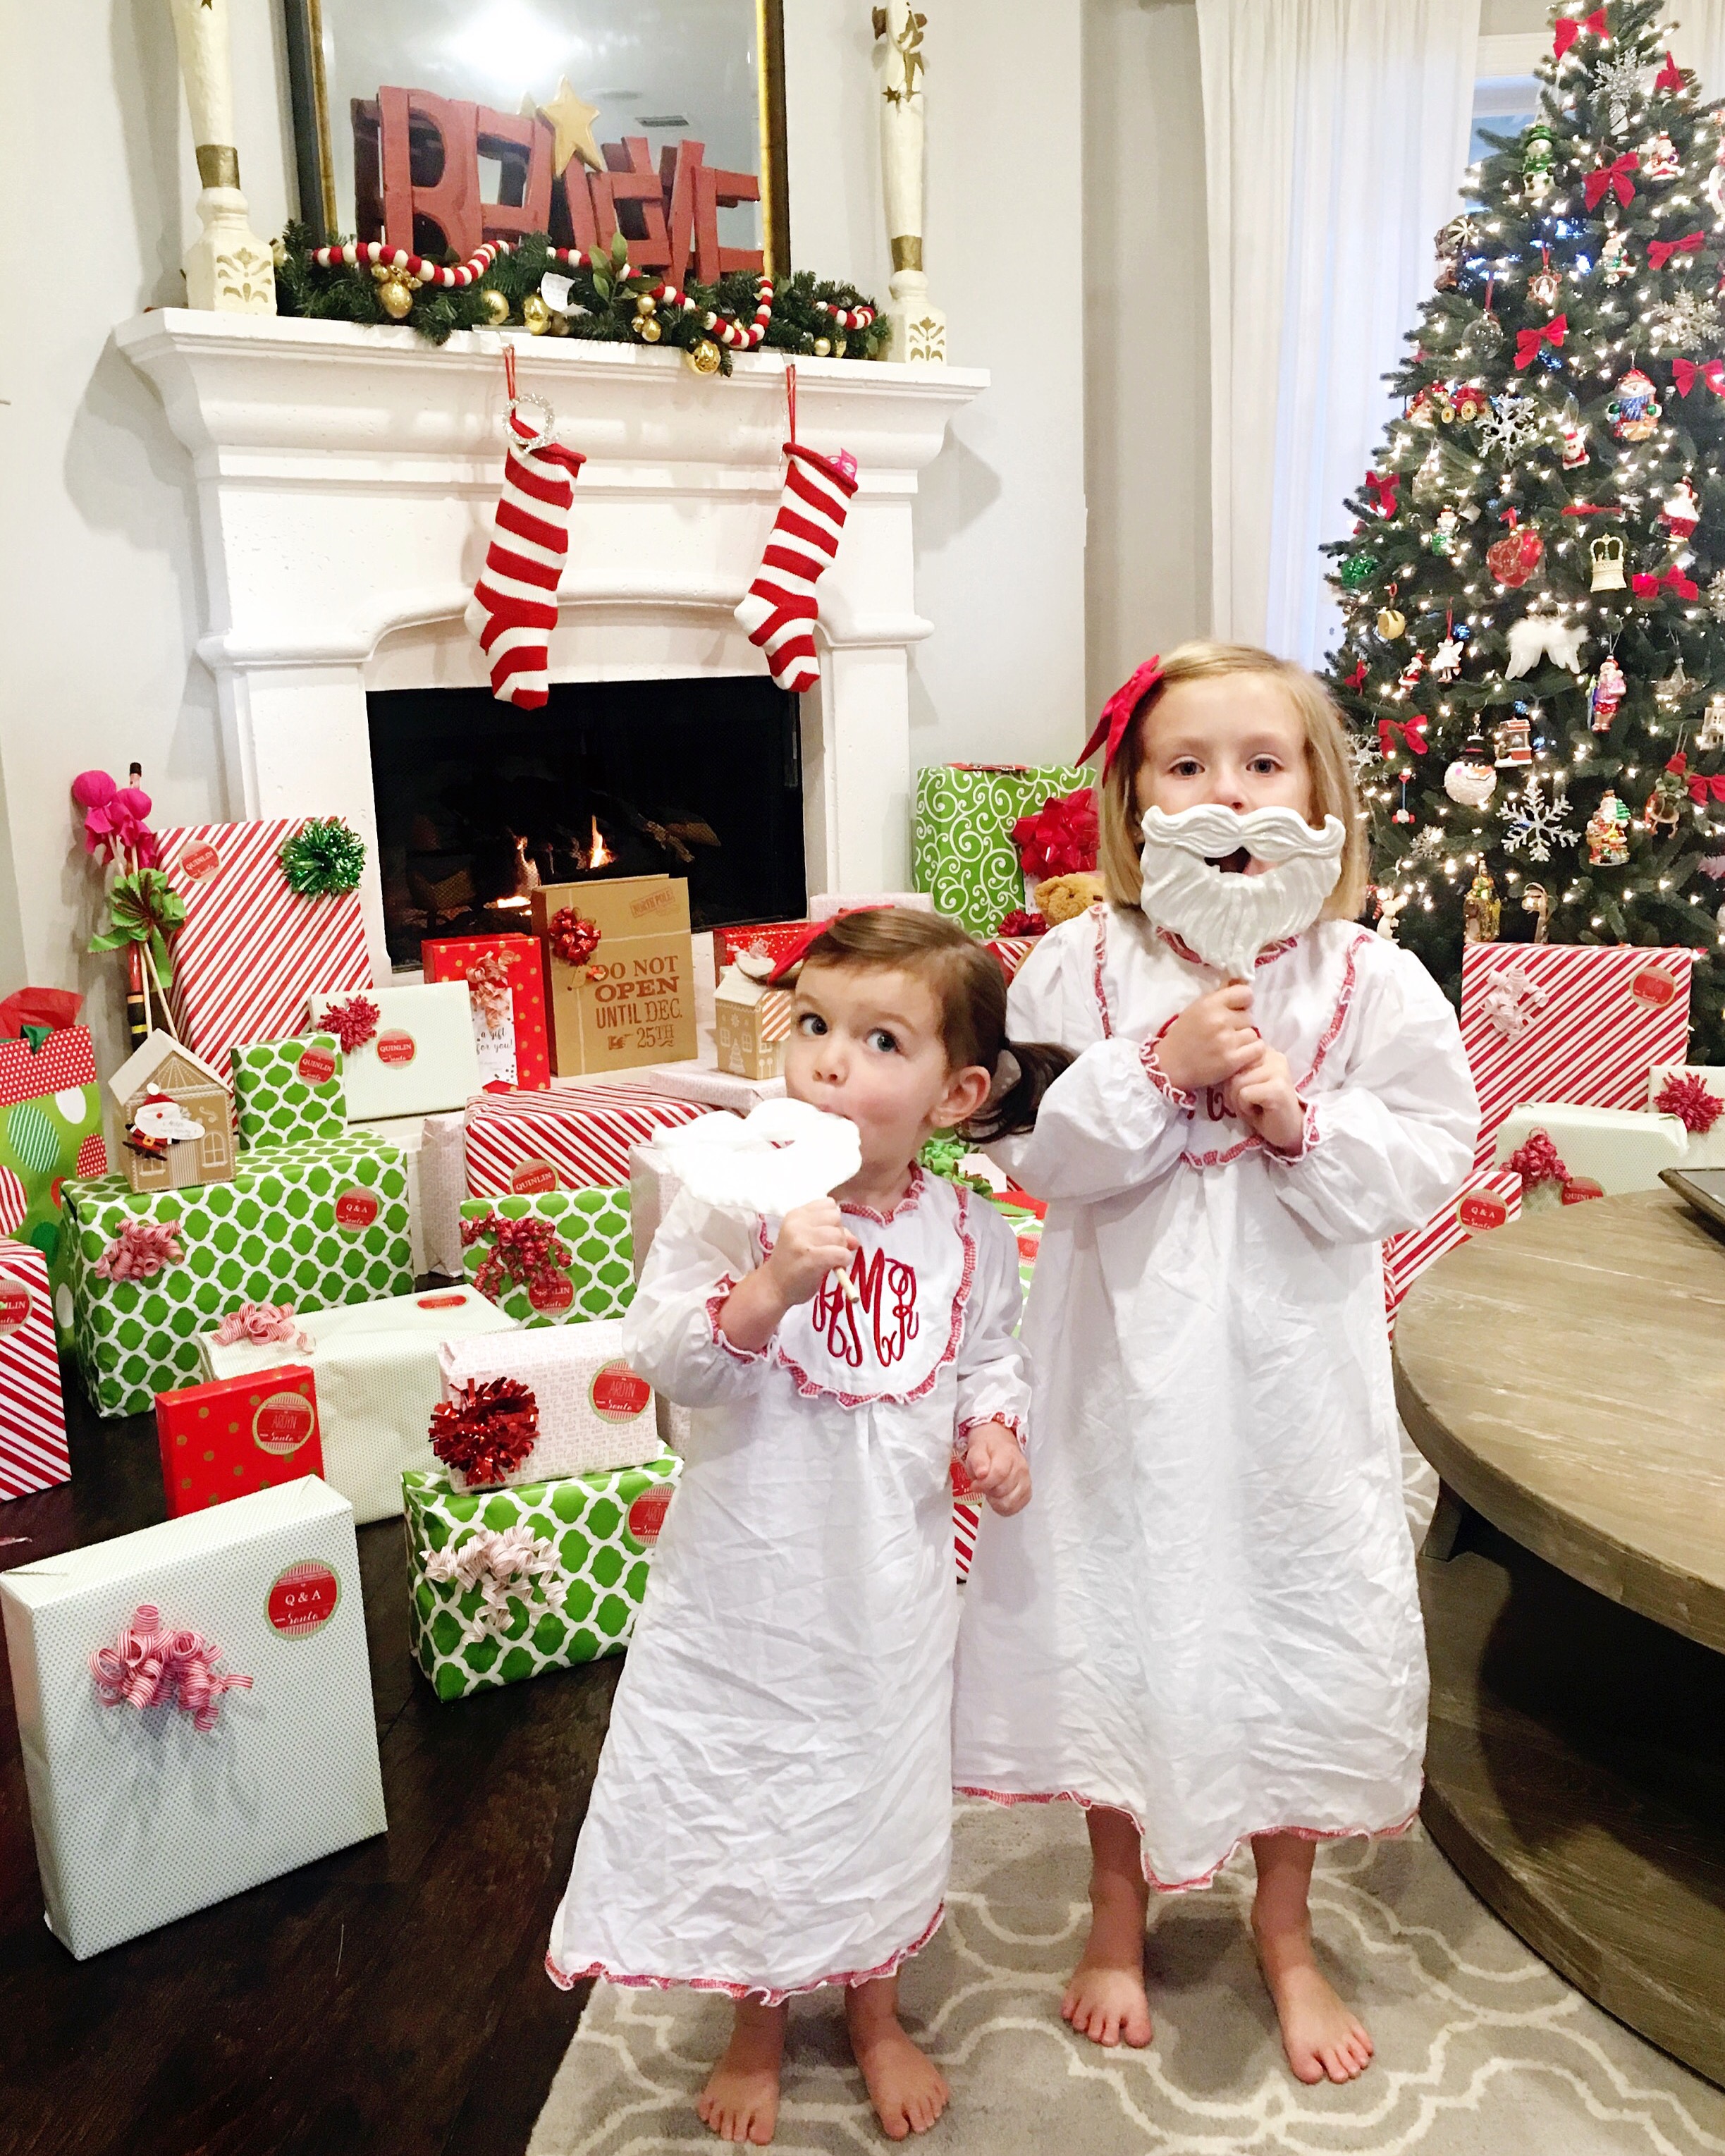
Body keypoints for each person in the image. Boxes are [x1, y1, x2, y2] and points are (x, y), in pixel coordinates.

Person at [952, 641, 1478, 2085]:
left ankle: (1285, 1921)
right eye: (1187, 766)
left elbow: (1434, 1148)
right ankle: (1116, 1906)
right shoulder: (1078, 964)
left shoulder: (1370, 978)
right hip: (1118, 1375)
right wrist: (1154, 1068)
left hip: (1290, 1380)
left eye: (1262, 762)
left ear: (1317, 791)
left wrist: (1300, 1118)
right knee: (1118, 1609)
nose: (1228, 794)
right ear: (1136, 798)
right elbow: (1025, 1144)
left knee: (1289, 1611)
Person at [548, 909, 1068, 2146]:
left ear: (956, 1095)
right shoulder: (731, 1202)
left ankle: (875, 2005)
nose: (830, 1060)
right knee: (755, 1788)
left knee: (876, 1790)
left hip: (889, 1589)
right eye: (816, 1024)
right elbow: (669, 1354)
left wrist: (993, 1431)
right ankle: (758, 2019)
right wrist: (771, 1283)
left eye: (881, 1041)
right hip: (753, 1578)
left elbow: (986, 1357)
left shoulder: (969, 1233)